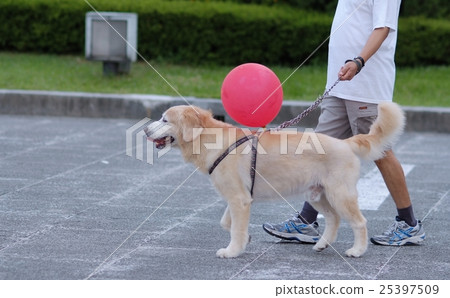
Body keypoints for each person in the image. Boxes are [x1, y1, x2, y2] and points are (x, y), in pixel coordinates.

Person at [263, 0, 426, 246]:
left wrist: (358, 62)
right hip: (340, 87)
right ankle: (306, 222)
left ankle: (409, 224)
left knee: (380, 152)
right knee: (319, 152)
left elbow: (383, 28)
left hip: (365, 88)